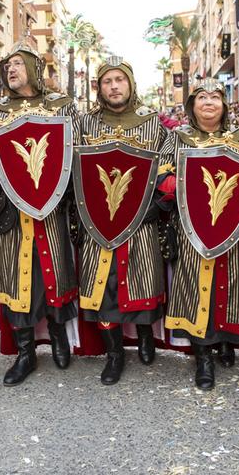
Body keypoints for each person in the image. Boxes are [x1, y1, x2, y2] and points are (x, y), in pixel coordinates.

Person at [0, 41, 80, 386]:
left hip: (51, 208)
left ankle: (57, 336)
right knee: (14, 276)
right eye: (7, 65)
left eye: (18, 63)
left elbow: (76, 152)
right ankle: (25, 352)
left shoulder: (61, 106)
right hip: (9, 210)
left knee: (55, 270)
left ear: (35, 69)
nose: (11, 69)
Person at [159, 78, 239, 389]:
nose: (209, 102)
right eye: (202, 97)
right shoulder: (178, 137)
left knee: (232, 285)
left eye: (215, 97)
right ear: (192, 105)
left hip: (233, 229)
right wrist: (180, 184)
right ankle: (202, 352)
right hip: (193, 229)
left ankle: (227, 340)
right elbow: (162, 177)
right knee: (197, 284)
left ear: (224, 104)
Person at [76, 57, 168, 385]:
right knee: (105, 286)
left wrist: (155, 205)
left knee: (141, 277)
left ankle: (144, 336)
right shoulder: (84, 123)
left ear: (130, 83)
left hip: (141, 218)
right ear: (99, 87)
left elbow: (166, 167)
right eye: (107, 81)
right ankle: (114, 352)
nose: (114, 86)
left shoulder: (152, 122)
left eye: (120, 80)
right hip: (97, 221)